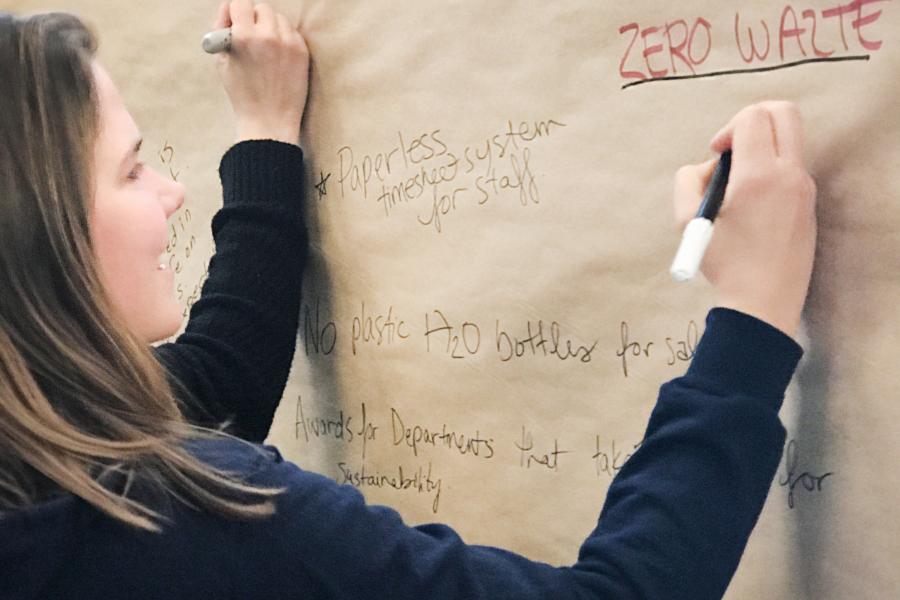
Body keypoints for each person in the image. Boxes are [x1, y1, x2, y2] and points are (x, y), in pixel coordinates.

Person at [0, 1, 817, 599]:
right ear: (40, 238)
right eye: (133, 170)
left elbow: (219, 380)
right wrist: (752, 318)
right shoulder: (160, 516)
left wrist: (266, 134)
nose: (170, 191)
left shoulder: (40, 455)